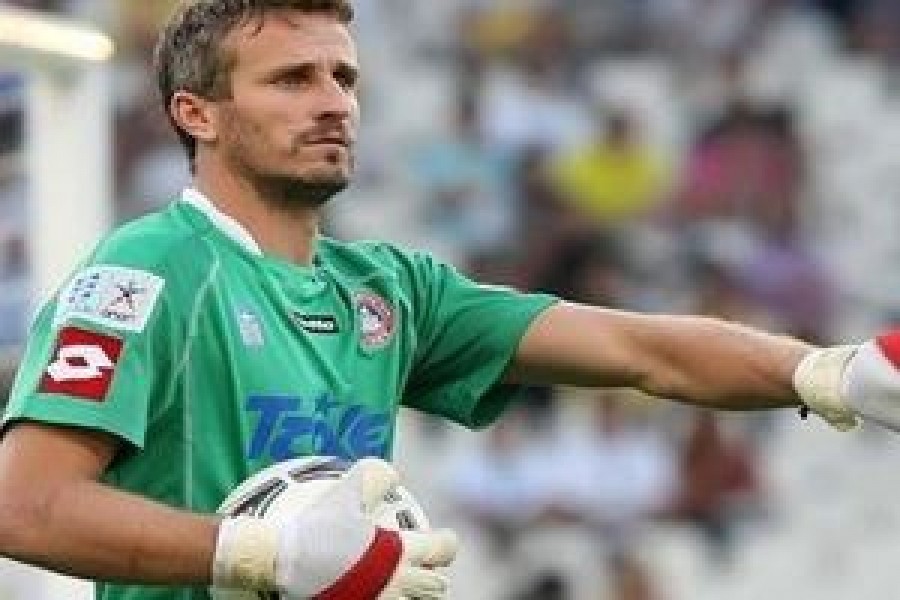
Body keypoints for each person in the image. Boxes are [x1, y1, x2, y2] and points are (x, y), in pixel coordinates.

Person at [0, 1, 895, 599]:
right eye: (292, 79)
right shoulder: (150, 270)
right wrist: (261, 554)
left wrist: (823, 372)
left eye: (344, 78)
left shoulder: (390, 290)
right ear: (196, 113)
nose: (333, 103)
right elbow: (24, 507)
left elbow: (639, 352)